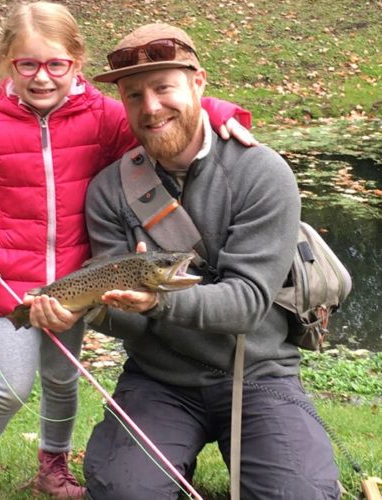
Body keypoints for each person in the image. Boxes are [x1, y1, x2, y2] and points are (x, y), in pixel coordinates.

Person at [0, 2, 255, 499]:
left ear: (76, 62)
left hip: (78, 286)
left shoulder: (103, 118)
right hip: (11, 283)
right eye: (27, 64)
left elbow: (161, 114)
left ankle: (52, 467)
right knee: (12, 385)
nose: (42, 77)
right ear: (7, 63)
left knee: (63, 380)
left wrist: (223, 114)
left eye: (56, 63)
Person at [30, 22, 341, 499]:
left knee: (298, 493)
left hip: (258, 374)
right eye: (134, 96)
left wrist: (156, 303)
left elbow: (247, 303)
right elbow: (125, 321)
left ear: (198, 83)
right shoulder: (110, 190)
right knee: (123, 491)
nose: (151, 108)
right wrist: (93, 309)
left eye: (163, 88)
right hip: (160, 380)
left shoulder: (261, 173)